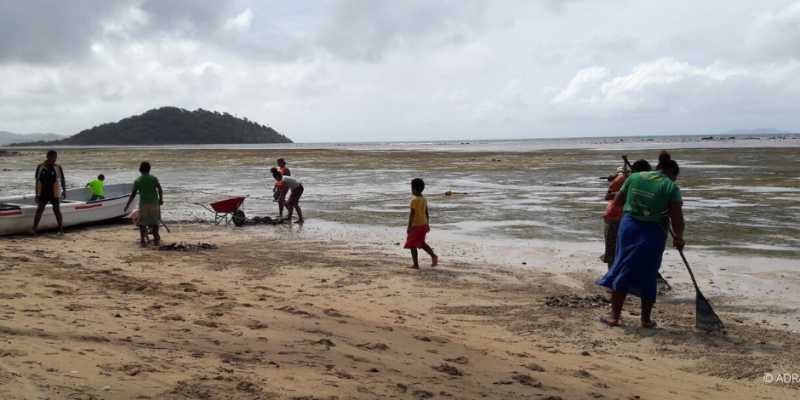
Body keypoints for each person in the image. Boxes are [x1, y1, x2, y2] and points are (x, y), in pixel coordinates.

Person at [597, 151, 684, 329]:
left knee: (622, 266)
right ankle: (645, 320)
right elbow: (677, 217)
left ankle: (614, 317)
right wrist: (679, 238)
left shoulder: (634, 177)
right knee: (649, 273)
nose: (674, 180)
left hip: (629, 228)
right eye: (675, 177)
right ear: (670, 172)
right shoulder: (671, 187)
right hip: (654, 232)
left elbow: (619, 201)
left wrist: (637, 200)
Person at [601, 160, 652, 271]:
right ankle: (611, 277)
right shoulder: (622, 179)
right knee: (612, 249)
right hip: (614, 217)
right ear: (636, 171)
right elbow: (608, 196)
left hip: (631, 218)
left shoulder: (644, 182)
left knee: (628, 248)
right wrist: (627, 192)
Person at [124, 162, 163, 247]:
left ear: (140, 170)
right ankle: (156, 240)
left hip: (143, 203)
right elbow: (159, 188)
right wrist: (161, 199)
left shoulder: (138, 180)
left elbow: (133, 194)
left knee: (142, 222)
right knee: (155, 221)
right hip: (154, 202)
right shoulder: (153, 178)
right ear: (149, 169)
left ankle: (143, 241)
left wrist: (128, 205)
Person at [30, 150, 66, 235]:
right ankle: (34, 230)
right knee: (39, 210)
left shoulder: (57, 167)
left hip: (55, 192)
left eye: (56, 157)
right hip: (43, 192)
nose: (55, 159)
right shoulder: (40, 167)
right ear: (48, 157)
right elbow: (37, 181)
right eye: (53, 157)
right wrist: (36, 193)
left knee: (57, 211)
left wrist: (64, 191)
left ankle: (61, 230)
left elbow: (62, 179)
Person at [404, 178, 438, 270]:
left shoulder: (414, 200)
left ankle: (416, 264)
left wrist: (409, 227)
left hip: (416, 225)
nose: (411, 190)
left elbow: (412, 214)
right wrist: (428, 224)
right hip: (423, 224)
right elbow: (426, 212)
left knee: (412, 243)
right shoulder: (424, 199)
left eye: (411, 188)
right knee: (421, 243)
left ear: (414, 189)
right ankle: (433, 256)